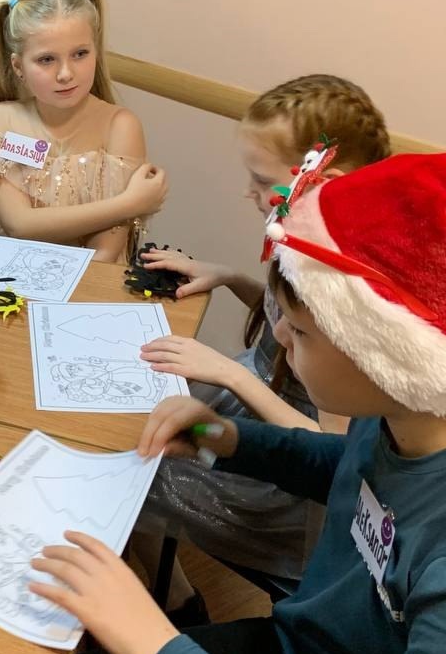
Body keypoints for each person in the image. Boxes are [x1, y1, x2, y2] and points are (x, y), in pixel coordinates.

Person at [35, 148, 446, 654]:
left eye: (300, 330)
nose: (279, 336)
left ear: (395, 357)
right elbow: (345, 466)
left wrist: (155, 646)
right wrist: (223, 440)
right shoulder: (404, 419)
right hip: (296, 653)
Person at [131, 75, 391, 619]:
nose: (248, 193)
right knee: (137, 425)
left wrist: (230, 375)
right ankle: (171, 593)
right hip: (257, 400)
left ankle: (179, 604)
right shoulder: (303, 235)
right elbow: (285, 321)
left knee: (136, 470)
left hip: (292, 478)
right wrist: (229, 277)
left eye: (260, 179)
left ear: (322, 182)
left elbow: (330, 450)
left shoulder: (347, 291)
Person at [0, 0, 166, 262]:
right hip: (15, 274)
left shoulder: (120, 125)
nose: (66, 74)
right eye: (46, 59)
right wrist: (130, 204)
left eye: (80, 54)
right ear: (18, 66)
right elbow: (19, 224)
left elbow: (105, 253)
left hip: (94, 279)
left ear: (96, 52)